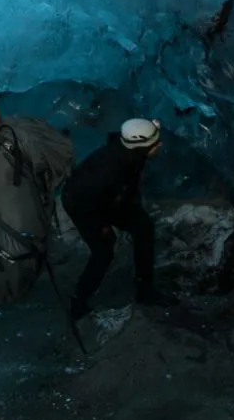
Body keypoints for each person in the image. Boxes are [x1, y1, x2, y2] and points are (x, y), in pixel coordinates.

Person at [60, 118, 180, 320]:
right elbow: (82, 199)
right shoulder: (108, 169)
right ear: (142, 147)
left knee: (144, 228)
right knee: (104, 251)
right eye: (155, 144)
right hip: (83, 205)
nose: (159, 146)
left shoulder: (131, 153)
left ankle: (145, 291)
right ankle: (79, 300)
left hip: (112, 199)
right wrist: (100, 226)